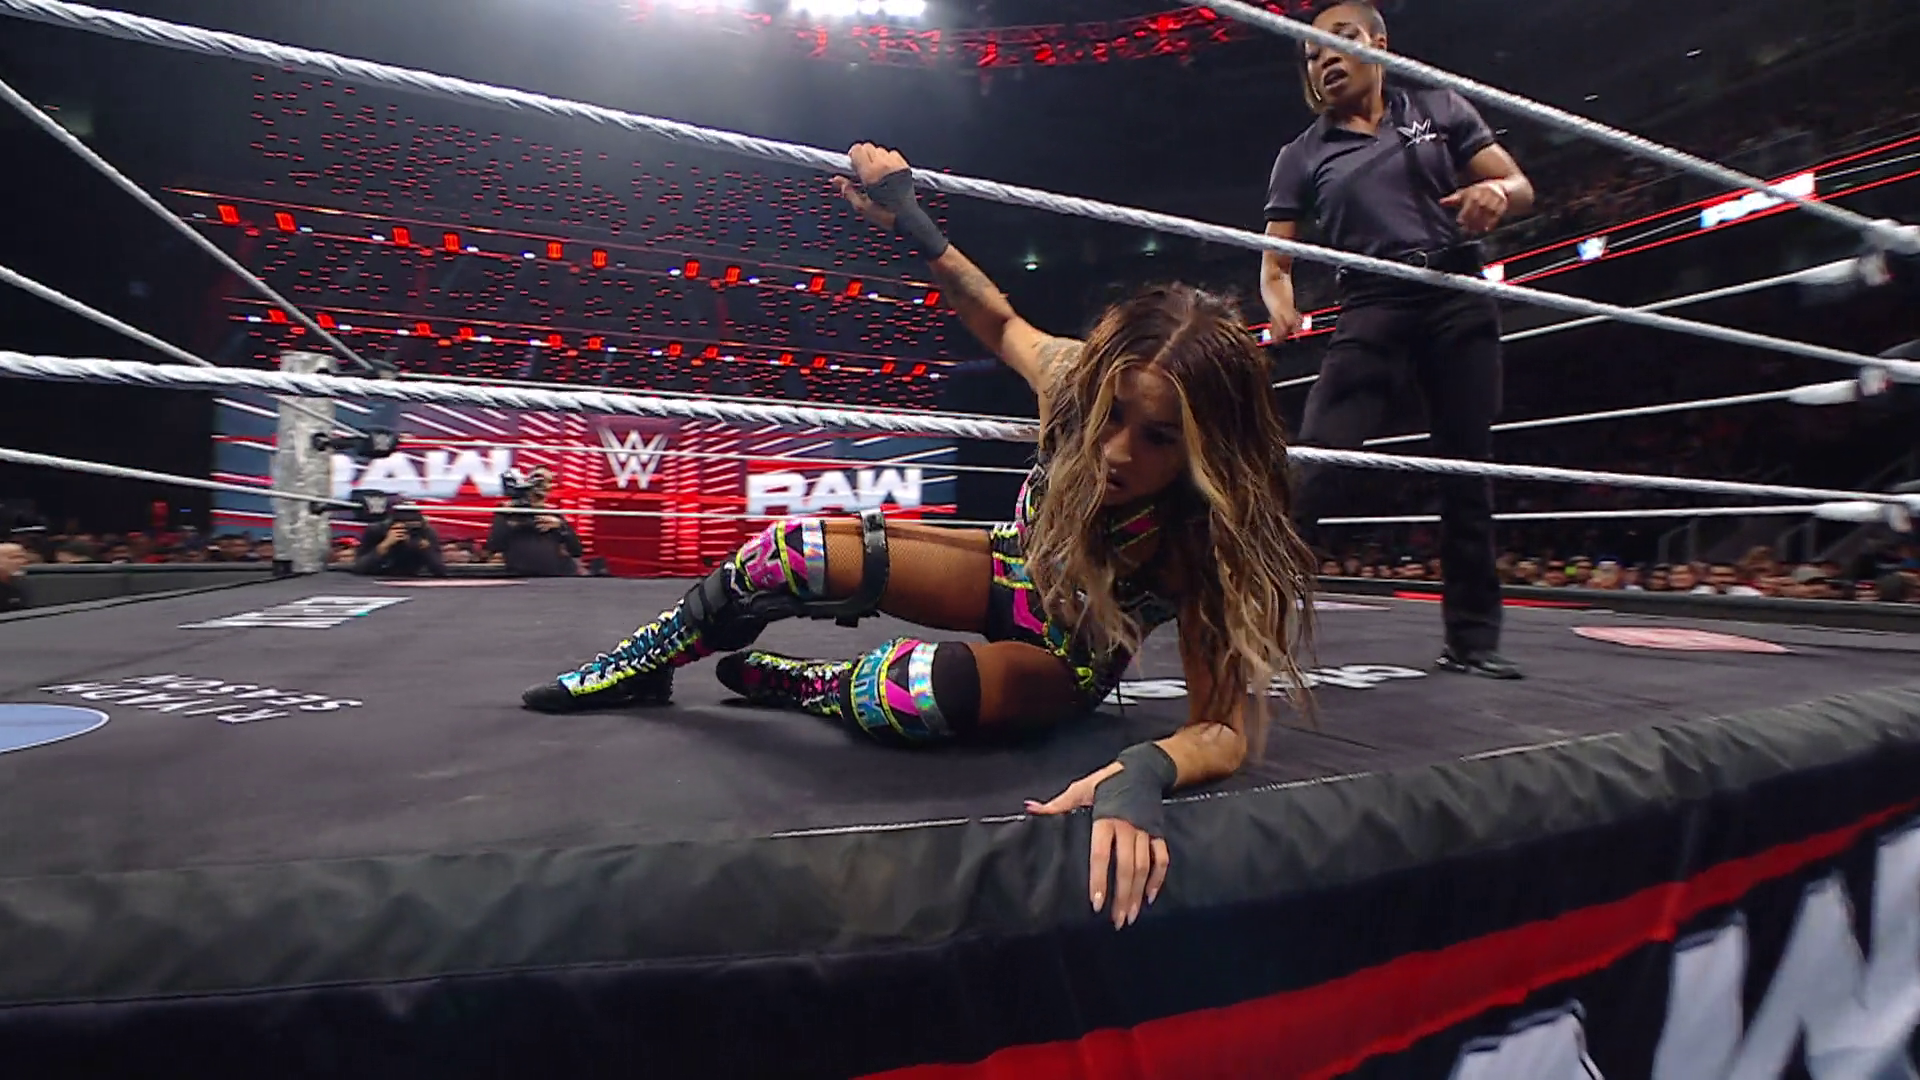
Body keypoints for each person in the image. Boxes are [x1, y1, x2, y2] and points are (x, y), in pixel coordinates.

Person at [523, 143, 1321, 928]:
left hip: (1065, 657)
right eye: (1113, 418)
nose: (1116, 452)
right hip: (1009, 566)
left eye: (1157, 439)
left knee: (919, 693)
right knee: (791, 552)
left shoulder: (1200, 533)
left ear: (1202, 450)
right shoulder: (1075, 382)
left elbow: (1221, 728)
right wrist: (908, 215)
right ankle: (646, 665)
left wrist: (1145, 768)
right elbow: (995, 317)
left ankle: (808, 685)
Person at [1259, 0, 1533, 679]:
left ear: (1378, 44)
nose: (1324, 59)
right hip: (1372, 301)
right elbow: (1274, 263)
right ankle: (1245, 620)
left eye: (1339, 41)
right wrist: (1282, 306)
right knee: (1318, 461)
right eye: (1310, 54)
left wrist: (1498, 195)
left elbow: (1519, 184)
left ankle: (1472, 641)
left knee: (1467, 470)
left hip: (1456, 291)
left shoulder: (1439, 107)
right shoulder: (1301, 155)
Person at [484, 468, 582, 576]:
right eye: (539, 478)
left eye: (549, 481)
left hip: (550, 578)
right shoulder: (509, 512)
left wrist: (561, 526)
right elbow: (495, 545)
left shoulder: (554, 516)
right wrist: (508, 517)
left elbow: (576, 550)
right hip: (519, 577)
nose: (544, 484)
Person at [351, 511, 447, 578]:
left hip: (410, 578)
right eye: (405, 527)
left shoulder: (425, 533)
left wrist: (426, 549)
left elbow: (440, 571)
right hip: (375, 577)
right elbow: (359, 568)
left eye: (413, 527)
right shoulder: (377, 531)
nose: (409, 531)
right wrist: (383, 546)